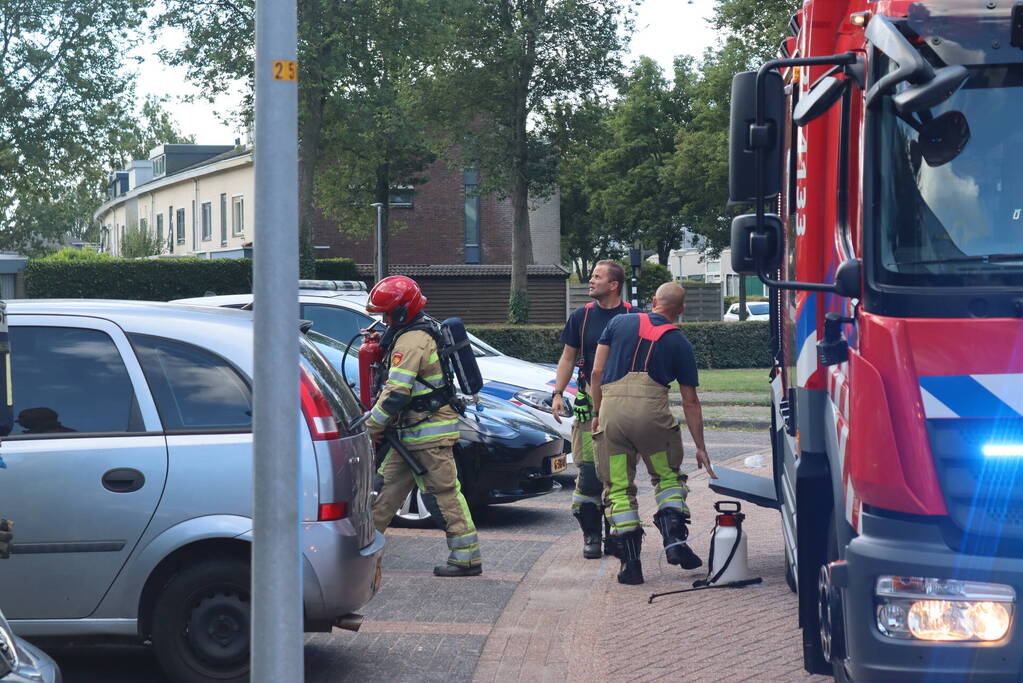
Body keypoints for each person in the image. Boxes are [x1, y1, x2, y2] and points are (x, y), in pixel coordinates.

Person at [590, 281, 716, 585]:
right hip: (652, 420)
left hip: (612, 416)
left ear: (653, 301)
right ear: (681, 310)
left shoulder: (619, 322)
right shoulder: (680, 342)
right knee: (668, 478)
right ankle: (674, 541)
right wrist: (700, 446)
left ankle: (631, 565)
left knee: (618, 487)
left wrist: (596, 414)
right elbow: (690, 400)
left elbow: (596, 372)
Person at [366, 275, 482, 577]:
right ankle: (359, 559)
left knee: (443, 495)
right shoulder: (407, 332)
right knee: (380, 493)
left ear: (404, 309)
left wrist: (370, 428)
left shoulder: (413, 339)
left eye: (388, 313)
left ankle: (466, 558)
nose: (384, 319)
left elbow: (395, 393)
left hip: (428, 433)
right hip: (409, 436)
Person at [551, 261, 631, 559]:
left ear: (614, 285)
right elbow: (568, 358)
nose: (590, 280)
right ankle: (592, 537)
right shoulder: (581, 317)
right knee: (588, 472)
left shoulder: (632, 317)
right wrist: (558, 394)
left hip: (619, 403)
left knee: (618, 472)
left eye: (597, 277)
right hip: (587, 406)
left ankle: (617, 535)